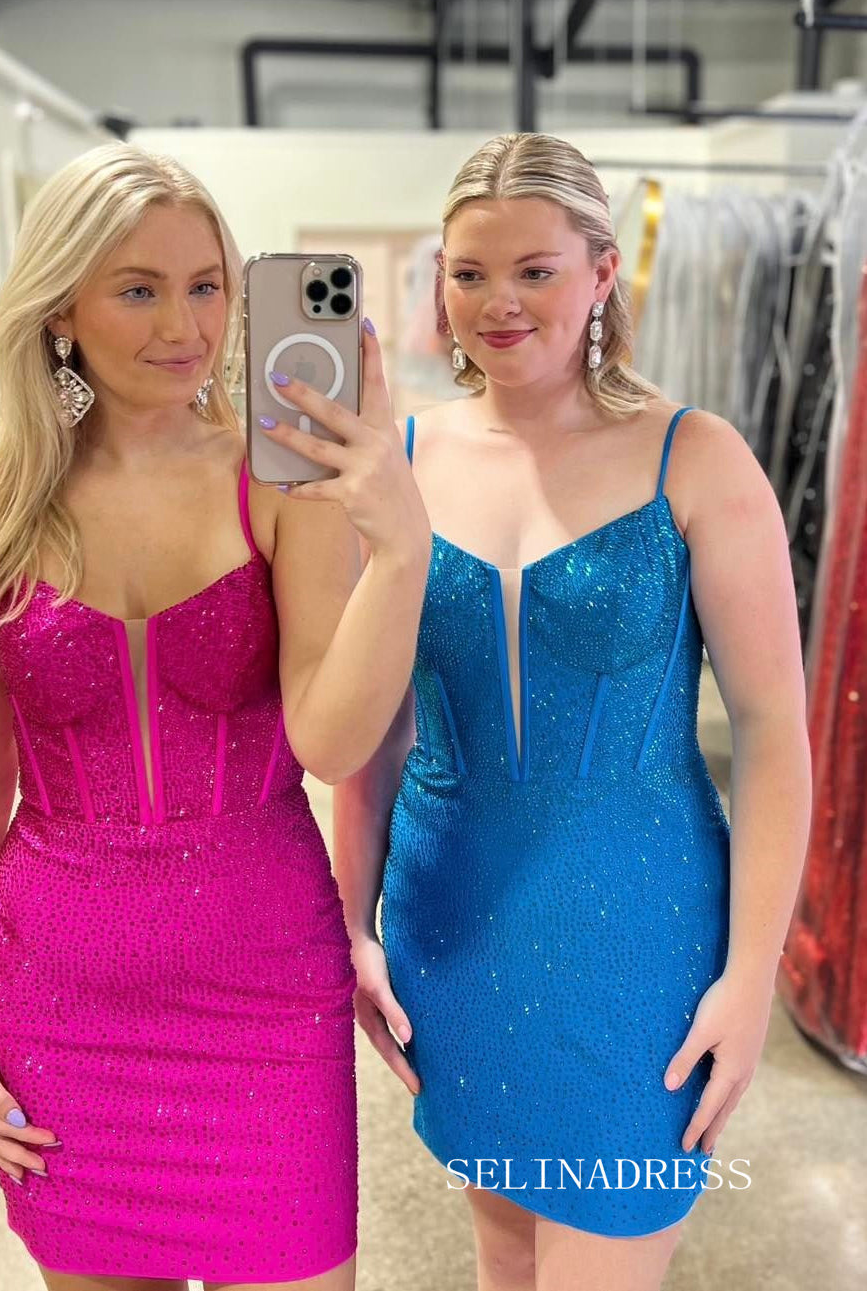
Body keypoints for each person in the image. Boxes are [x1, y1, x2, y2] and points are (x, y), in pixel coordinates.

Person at [0, 143, 430, 1291]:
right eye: (139, 289)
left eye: (206, 285)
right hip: (56, 999)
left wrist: (401, 551)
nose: (185, 325)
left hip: (265, 990)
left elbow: (330, 742)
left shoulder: (281, 477)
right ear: (60, 308)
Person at [333, 132, 812, 1291]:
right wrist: (349, 922)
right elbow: (374, 735)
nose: (498, 303)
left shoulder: (697, 459)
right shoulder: (398, 460)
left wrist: (753, 976)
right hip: (451, 925)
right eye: (470, 272)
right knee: (504, 1251)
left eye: (534, 271)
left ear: (602, 274)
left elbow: (770, 730)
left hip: (639, 938)